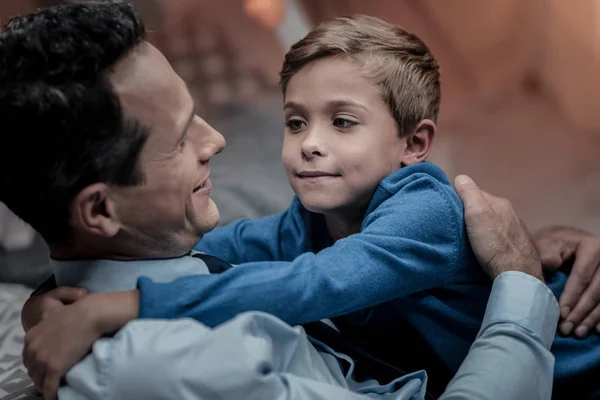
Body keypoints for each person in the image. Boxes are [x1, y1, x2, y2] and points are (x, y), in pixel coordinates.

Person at [25, 12, 600, 399]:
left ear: (414, 145)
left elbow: (316, 284)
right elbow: (195, 254)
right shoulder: (303, 225)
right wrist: (49, 300)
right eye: (296, 121)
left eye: (342, 122)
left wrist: (119, 309)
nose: (310, 142)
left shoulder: (424, 207)